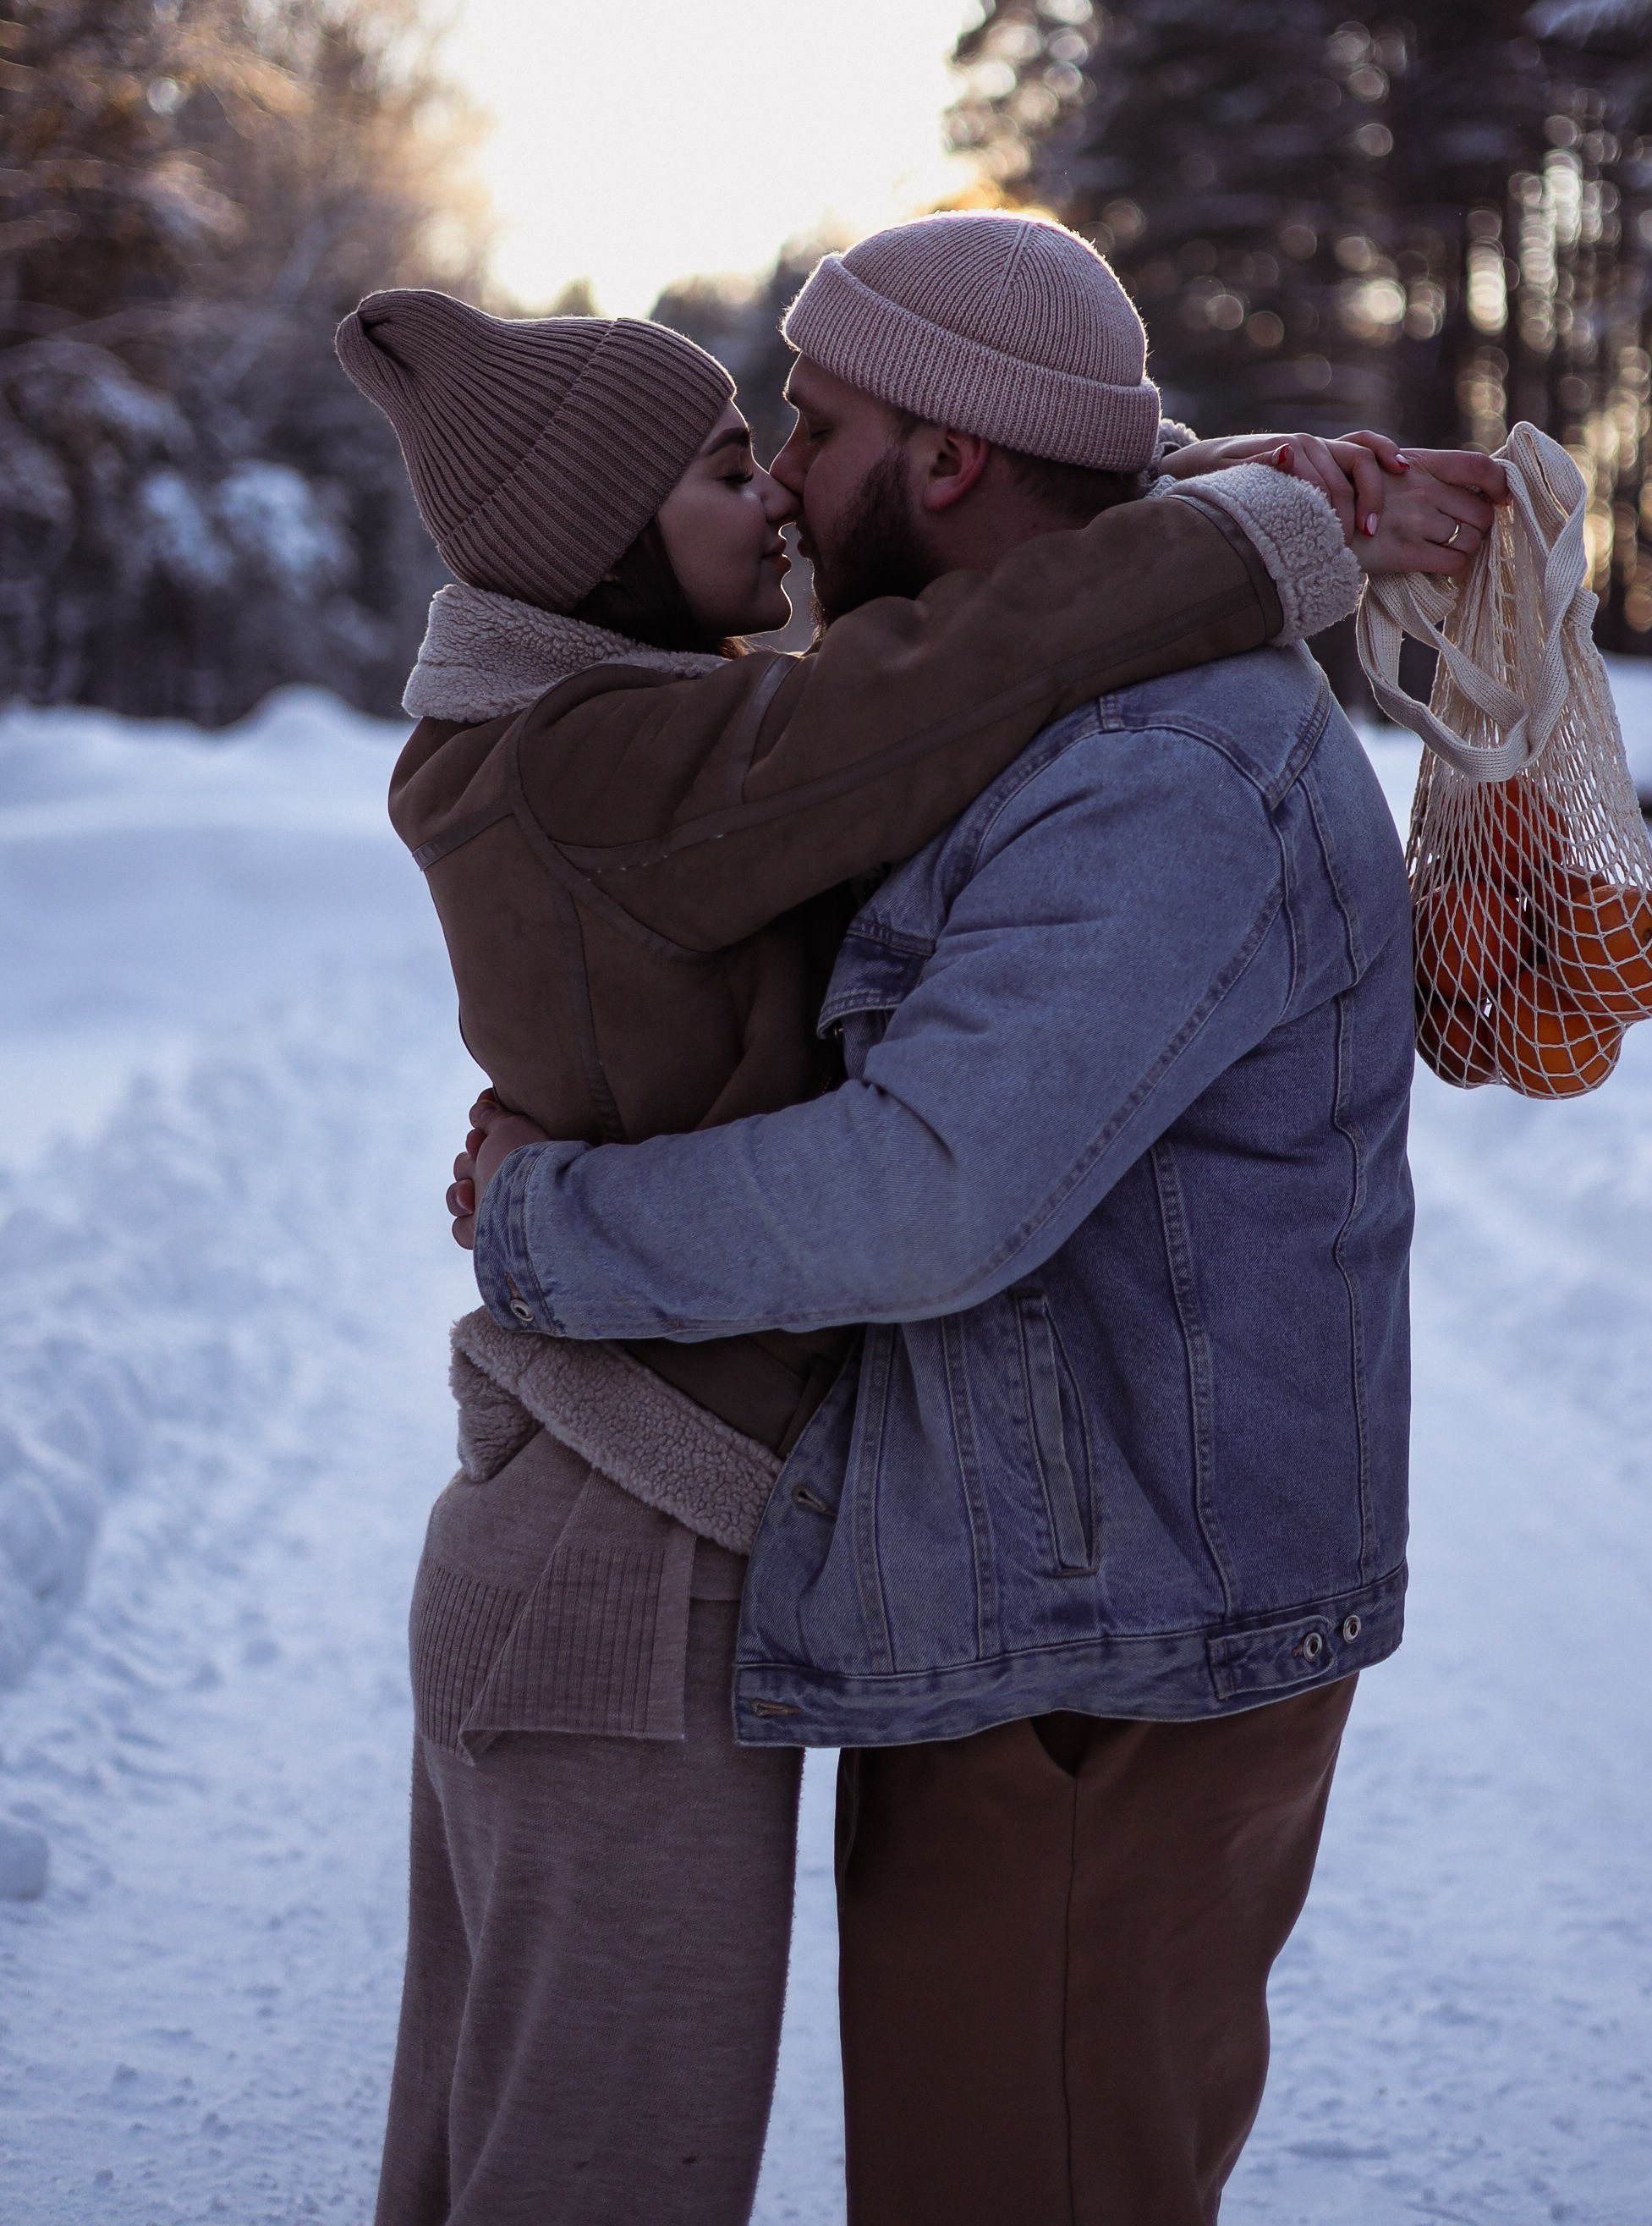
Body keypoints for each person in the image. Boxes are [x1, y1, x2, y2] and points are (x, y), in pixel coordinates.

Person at [447, 217, 1475, 2226]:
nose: (785, 496)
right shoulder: (1076, 706)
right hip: (1054, 1609)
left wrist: (549, 1223)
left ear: (941, 462)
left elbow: (928, 1193)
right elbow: (1017, 611)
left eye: (808, 431)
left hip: (1111, 1652)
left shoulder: (1162, 769)